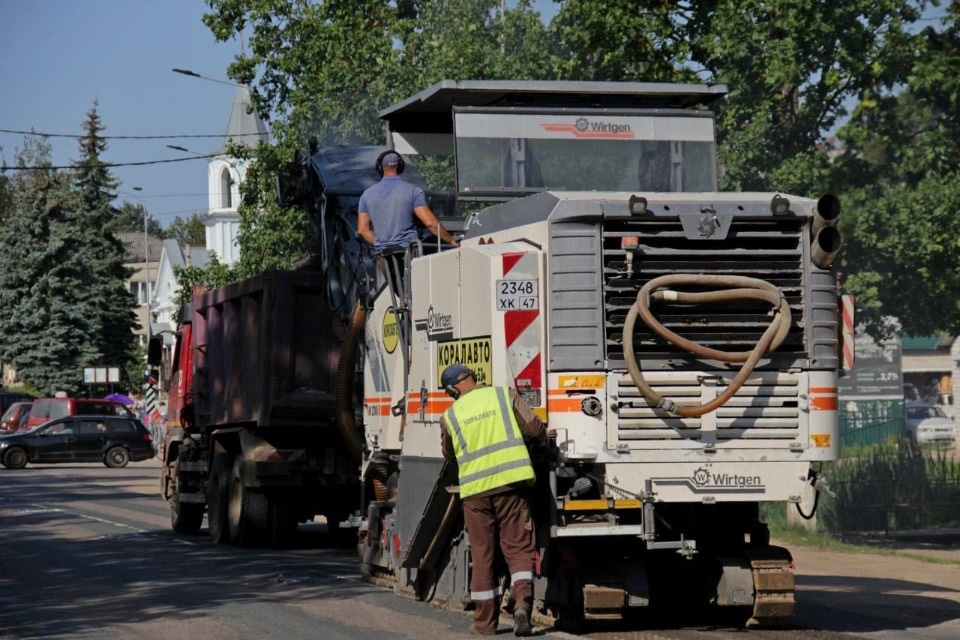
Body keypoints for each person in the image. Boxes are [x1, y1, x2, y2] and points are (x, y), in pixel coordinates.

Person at [439, 363, 546, 637]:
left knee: (482, 554)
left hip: (475, 493)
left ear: (453, 389)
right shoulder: (502, 395)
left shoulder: (450, 416)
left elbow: (449, 455)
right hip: (511, 485)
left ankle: (485, 625)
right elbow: (534, 429)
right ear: (473, 378)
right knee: (519, 548)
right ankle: (521, 605)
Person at [357, 150, 459, 252]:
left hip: (383, 257)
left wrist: (383, 247)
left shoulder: (366, 195)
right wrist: (451, 241)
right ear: (401, 167)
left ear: (380, 168)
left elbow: (362, 230)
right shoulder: (414, 191)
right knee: (435, 241)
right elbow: (431, 224)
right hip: (409, 253)